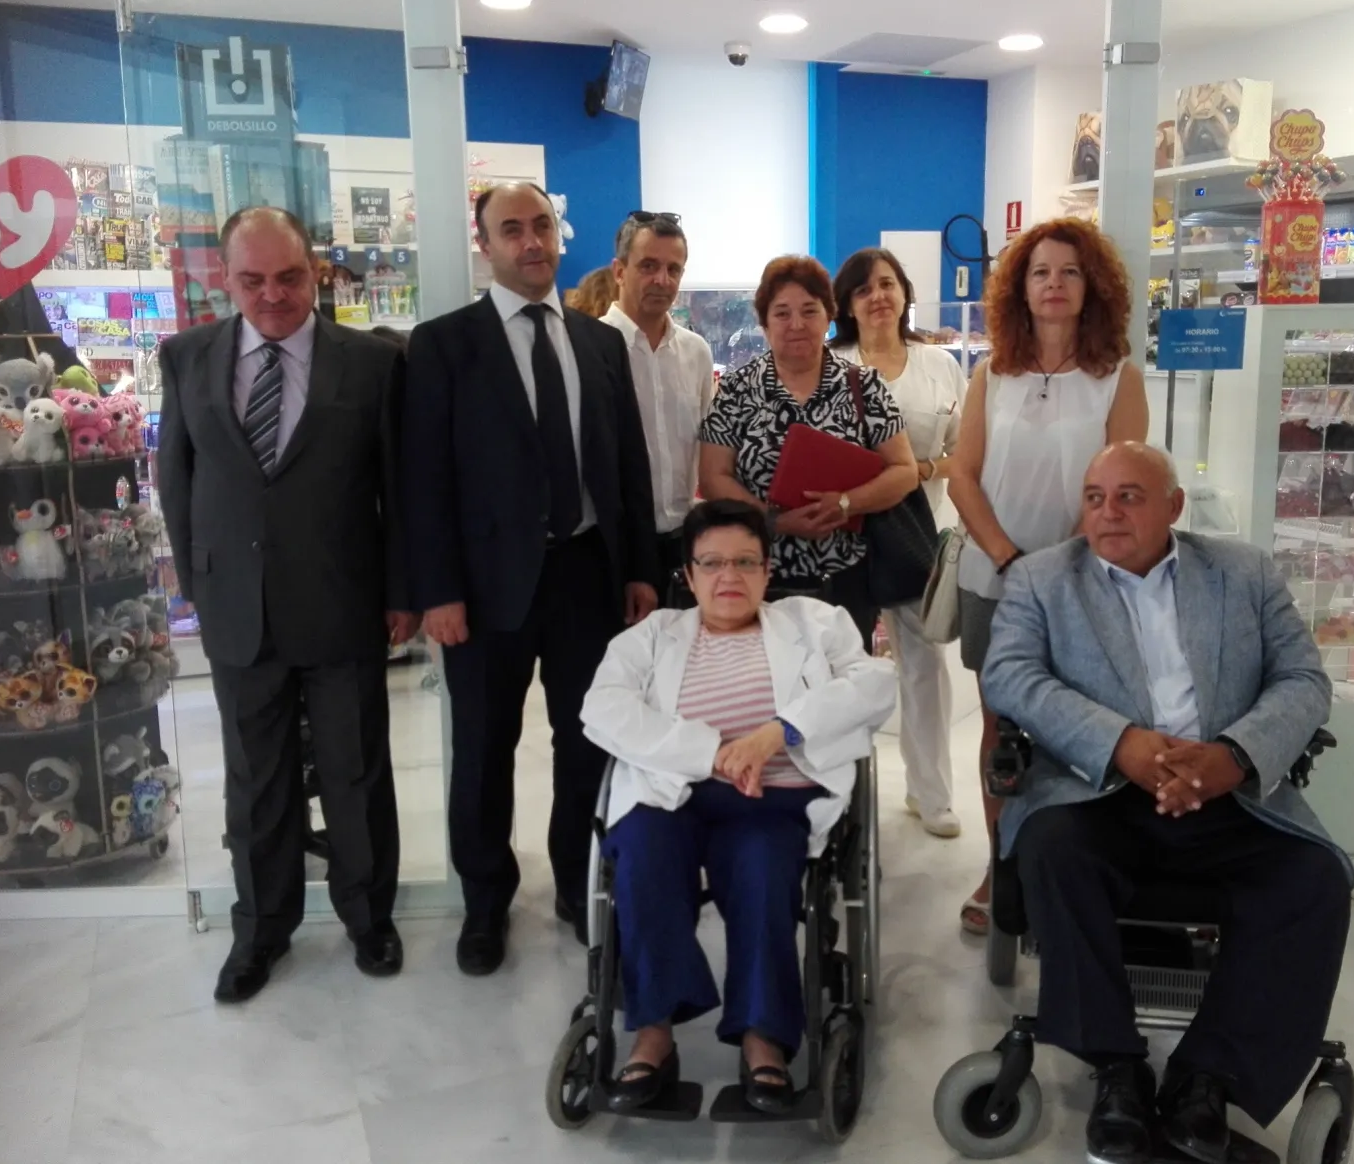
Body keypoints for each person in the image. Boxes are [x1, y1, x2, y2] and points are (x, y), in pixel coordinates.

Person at [983, 443, 1352, 1164]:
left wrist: (1235, 755)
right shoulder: (1041, 580)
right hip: (1098, 790)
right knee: (1053, 852)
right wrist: (1118, 742)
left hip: (1227, 794)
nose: (1108, 512)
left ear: (1174, 507)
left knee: (1312, 881)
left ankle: (1207, 1080)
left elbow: (1304, 679)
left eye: (1129, 496)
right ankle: (1116, 1069)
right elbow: (1010, 676)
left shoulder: (1241, 572)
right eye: (1094, 497)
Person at [401, 182, 659, 977]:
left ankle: (582, 886)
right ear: (486, 245)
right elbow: (422, 480)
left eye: (542, 225)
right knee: (484, 749)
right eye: (511, 230)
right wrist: (436, 592)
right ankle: (485, 903)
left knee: (588, 743)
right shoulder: (444, 345)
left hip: (586, 573)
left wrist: (642, 570)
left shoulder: (598, 342)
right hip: (483, 591)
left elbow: (627, 468)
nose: (531, 242)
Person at [156, 206, 412, 1003]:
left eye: (290, 276)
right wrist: (199, 588)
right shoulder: (187, 356)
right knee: (254, 782)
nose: (273, 295)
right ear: (223, 280)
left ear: (317, 272)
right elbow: (178, 481)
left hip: (345, 604)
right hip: (239, 610)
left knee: (356, 774)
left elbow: (400, 492)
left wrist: (403, 592)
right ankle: (262, 930)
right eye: (253, 279)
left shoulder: (373, 363)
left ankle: (369, 918)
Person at [580, 500, 894, 1114]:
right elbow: (603, 709)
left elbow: (875, 684)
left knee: (761, 870)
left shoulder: (814, 623)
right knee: (641, 858)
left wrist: (778, 733)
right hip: (671, 792)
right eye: (713, 563)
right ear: (689, 576)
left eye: (745, 561)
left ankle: (762, 1039)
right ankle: (653, 1035)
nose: (730, 576)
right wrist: (713, 751)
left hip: (775, 797)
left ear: (767, 570)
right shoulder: (652, 638)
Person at [945, 217, 1148, 935]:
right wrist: (1007, 555)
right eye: (1039, 272)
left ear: (1091, 285)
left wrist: (1060, 563)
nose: (1054, 284)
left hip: (1086, 580)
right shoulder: (991, 372)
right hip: (993, 577)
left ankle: (1061, 868)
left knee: (1073, 727)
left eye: (1068, 271)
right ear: (1019, 289)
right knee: (1000, 726)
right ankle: (999, 866)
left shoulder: (1116, 376)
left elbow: (1124, 487)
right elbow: (961, 476)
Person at [698, 256, 918, 647]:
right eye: (781, 313)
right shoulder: (736, 390)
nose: (796, 324)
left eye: (809, 311)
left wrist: (847, 503)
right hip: (757, 575)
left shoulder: (864, 386)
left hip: (846, 578)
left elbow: (904, 470)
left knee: (842, 694)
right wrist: (775, 521)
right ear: (764, 324)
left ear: (829, 316)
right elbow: (713, 476)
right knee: (766, 694)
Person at [829, 248, 966, 838]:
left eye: (887, 284)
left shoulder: (941, 366)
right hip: (841, 536)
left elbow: (966, 452)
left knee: (926, 666)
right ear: (848, 305)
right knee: (839, 666)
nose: (878, 296)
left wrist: (920, 471)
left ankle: (930, 794)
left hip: (915, 535)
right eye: (864, 289)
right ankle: (837, 793)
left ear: (905, 293)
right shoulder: (831, 363)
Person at [599, 212, 714, 601]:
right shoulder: (589, 348)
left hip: (683, 540)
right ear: (619, 270)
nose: (662, 280)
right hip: (613, 545)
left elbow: (705, 445)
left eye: (673, 269)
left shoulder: (695, 351)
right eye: (648, 266)